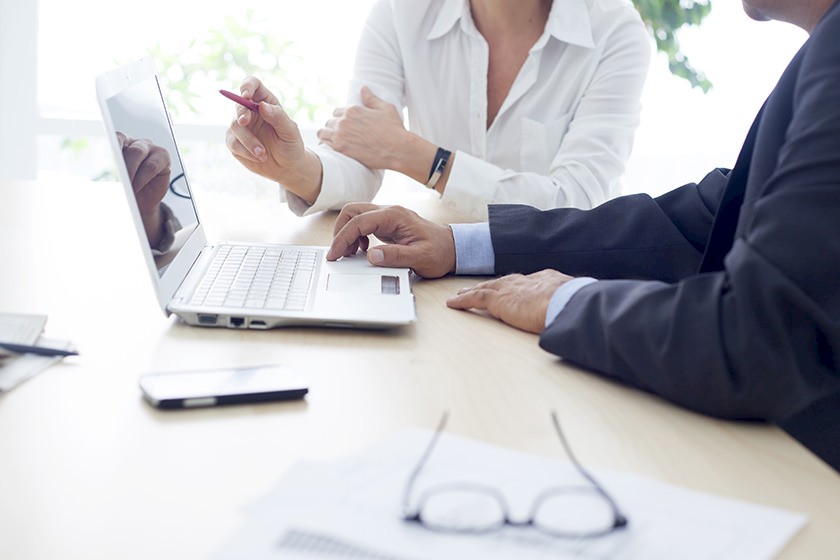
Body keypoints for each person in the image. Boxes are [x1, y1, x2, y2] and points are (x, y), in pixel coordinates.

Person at [326, 0, 840, 472]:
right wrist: (462, 244)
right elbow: (698, 222)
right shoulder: (823, 50)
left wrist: (567, 301)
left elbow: (761, 333)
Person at [225, 0, 650, 219]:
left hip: (550, 281)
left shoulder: (615, 32)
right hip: (439, 270)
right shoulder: (404, 10)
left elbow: (575, 205)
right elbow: (361, 154)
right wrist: (294, 167)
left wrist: (415, 156)